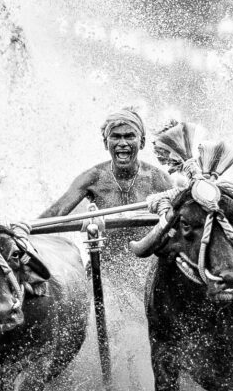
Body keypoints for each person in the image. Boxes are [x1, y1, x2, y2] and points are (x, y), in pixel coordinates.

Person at [40, 107, 173, 276]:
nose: (123, 143)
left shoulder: (158, 179)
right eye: (116, 136)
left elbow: (182, 218)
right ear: (106, 143)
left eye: (129, 136)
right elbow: (55, 214)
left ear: (142, 142)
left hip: (148, 274)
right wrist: (22, 232)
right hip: (105, 271)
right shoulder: (92, 178)